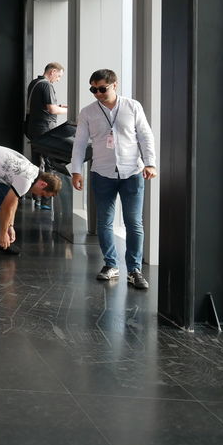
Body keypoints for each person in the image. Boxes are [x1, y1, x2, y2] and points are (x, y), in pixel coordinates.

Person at [70, 69, 157, 289]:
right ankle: (111, 264)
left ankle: (134, 269)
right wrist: (76, 171)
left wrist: (150, 162)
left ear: (114, 84)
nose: (97, 93)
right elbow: (79, 143)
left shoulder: (132, 107)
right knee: (105, 222)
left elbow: (145, 135)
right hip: (102, 173)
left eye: (102, 88)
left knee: (134, 223)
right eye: (93, 89)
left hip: (132, 172)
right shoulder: (88, 112)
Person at [0, 144, 62, 263]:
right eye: (43, 194)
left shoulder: (33, 172)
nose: (39, 196)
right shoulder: (27, 179)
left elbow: (12, 202)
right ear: (43, 184)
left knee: (5, 196)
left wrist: (10, 227)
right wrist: (3, 233)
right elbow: (6, 208)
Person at [25, 62, 69, 209]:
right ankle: (46, 200)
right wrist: (68, 110)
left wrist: (59, 107)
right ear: (53, 71)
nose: (58, 79)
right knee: (50, 164)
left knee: (37, 164)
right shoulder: (47, 85)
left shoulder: (34, 83)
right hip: (45, 129)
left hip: (33, 128)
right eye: (59, 76)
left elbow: (40, 106)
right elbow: (51, 109)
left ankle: (36, 197)